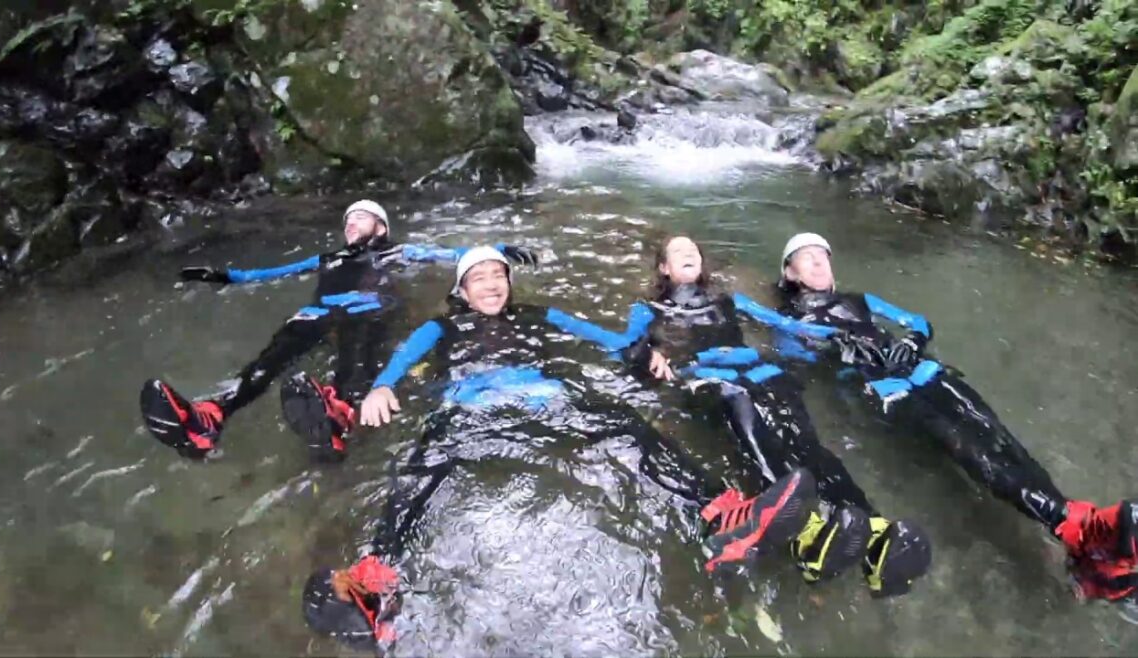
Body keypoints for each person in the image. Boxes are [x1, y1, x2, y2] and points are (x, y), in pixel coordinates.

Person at [295, 246, 821, 649]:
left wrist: (647, 346)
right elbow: (403, 360)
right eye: (479, 278)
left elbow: (607, 341)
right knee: (420, 466)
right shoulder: (442, 325)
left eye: (498, 275)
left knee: (627, 424)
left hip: (545, 403)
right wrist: (383, 386)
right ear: (462, 290)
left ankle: (725, 516)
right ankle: (374, 580)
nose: (492, 284)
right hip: (468, 408)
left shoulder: (540, 316)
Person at [742, 231, 1137, 603]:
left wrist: (913, 340)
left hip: (926, 371)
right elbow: (798, 362)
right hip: (885, 390)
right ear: (789, 273)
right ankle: (1077, 531)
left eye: (822, 257)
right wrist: (831, 346)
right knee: (965, 445)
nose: (817, 263)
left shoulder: (861, 300)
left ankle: (1079, 527)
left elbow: (917, 322)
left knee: (997, 437)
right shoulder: (791, 323)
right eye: (805, 258)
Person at [611, 235, 930, 598]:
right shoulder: (649, 309)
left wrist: (838, 336)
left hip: (760, 372)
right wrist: (650, 352)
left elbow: (785, 324)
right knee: (747, 415)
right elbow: (627, 346)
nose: (688, 252)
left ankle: (871, 528)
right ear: (664, 268)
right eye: (677, 251)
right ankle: (805, 533)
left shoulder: (727, 299)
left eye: (693, 249)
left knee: (804, 439)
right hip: (708, 379)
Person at [138, 200, 539, 461]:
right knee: (270, 359)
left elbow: (455, 256)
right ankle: (210, 418)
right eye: (346, 221)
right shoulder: (328, 257)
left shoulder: (400, 252)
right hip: (318, 312)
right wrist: (226, 277)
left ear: (381, 226)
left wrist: (500, 249)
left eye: (359, 219)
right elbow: (274, 272)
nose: (350, 227)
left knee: (357, 350)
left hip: (369, 310)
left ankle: (339, 414)